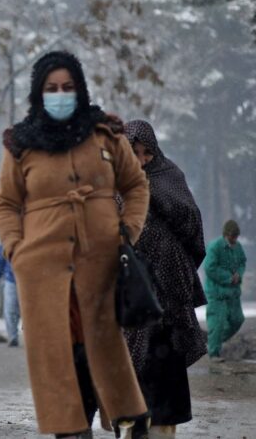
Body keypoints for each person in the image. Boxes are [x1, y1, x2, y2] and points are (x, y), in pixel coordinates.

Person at [0, 51, 151, 438]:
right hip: (41, 270)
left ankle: (129, 420)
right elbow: (6, 203)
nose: (60, 94)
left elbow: (135, 187)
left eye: (67, 87)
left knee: (103, 350)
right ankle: (71, 429)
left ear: (79, 89)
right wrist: (16, 249)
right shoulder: (22, 144)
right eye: (52, 88)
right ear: (39, 93)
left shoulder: (106, 134)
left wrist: (128, 231)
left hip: (101, 266)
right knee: (58, 356)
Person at [123, 120, 208, 439]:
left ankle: (161, 430)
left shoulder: (170, 176)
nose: (142, 160)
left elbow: (191, 225)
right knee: (133, 372)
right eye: (134, 152)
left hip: (170, 295)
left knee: (165, 374)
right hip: (131, 295)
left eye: (148, 153)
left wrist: (153, 196)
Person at [204, 219, 247, 361]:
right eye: (232, 236)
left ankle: (212, 342)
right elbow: (209, 268)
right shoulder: (215, 247)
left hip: (233, 293)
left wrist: (239, 275)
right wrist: (229, 278)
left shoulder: (238, 247)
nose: (235, 239)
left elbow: (242, 262)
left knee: (237, 320)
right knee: (218, 322)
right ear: (226, 235)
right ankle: (214, 353)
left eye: (236, 236)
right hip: (217, 293)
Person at [0, 246, 20, 347]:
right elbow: (0, 260)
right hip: (11, 279)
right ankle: (13, 337)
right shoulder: (6, 240)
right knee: (10, 309)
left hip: (30, 279)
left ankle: (32, 336)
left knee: (29, 310)